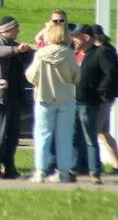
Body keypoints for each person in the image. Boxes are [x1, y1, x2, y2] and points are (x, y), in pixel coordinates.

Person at [25, 21, 79, 183]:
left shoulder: (41, 54)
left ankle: (40, 171)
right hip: (66, 98)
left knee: (42, 135)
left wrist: (40, 82)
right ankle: (63, 172)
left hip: (44, 97)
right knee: (65, 136)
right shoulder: (69, 55)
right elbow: (77, 76)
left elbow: (31, 75)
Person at [0, 17, 32, 179]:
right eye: (16, 28)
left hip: (16, 96)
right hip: (1, 98)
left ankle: (10, 167)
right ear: (8, 29)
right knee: (0, 134)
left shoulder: (15, 45)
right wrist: (16, 51)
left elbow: (30, 58)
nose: (18, 31)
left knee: (13, 135)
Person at [73, 24, 115, 184]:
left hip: (89, 102)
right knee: (75, 137)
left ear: (87, 37)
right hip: (74, 100)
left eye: (77, 36)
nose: (74, 39)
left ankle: (94, 171)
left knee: (90, 138)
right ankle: (74, 168)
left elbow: (109, 73)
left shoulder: (99, 53)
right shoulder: (76, 54)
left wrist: (101, 91)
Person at [91, 25, 118, 174]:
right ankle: (117, 165)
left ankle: (96, 165)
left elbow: (108, 73)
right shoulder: (109, 50)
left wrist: (101, 91)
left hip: (103, 97)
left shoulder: (102, 52)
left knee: (93, 132)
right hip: (109, 97)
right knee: (103, 132)